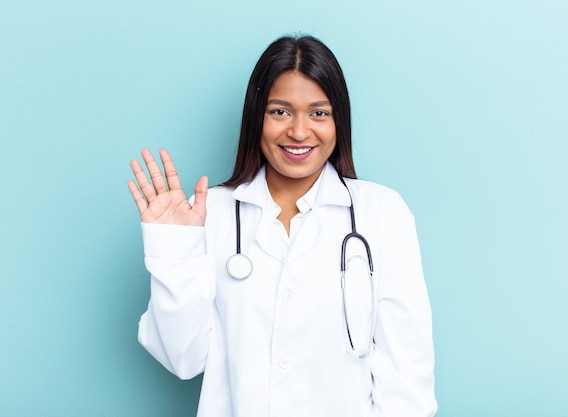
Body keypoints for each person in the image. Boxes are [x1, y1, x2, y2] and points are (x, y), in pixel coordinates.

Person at [128, 35, 437, 417]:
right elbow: (183, 359)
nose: (299, 131)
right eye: (280, 112)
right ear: (256, 117)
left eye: (319, 113)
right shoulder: (210, 214)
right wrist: (174, 248)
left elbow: (407, 383)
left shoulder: (382, 214)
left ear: (339, 120)